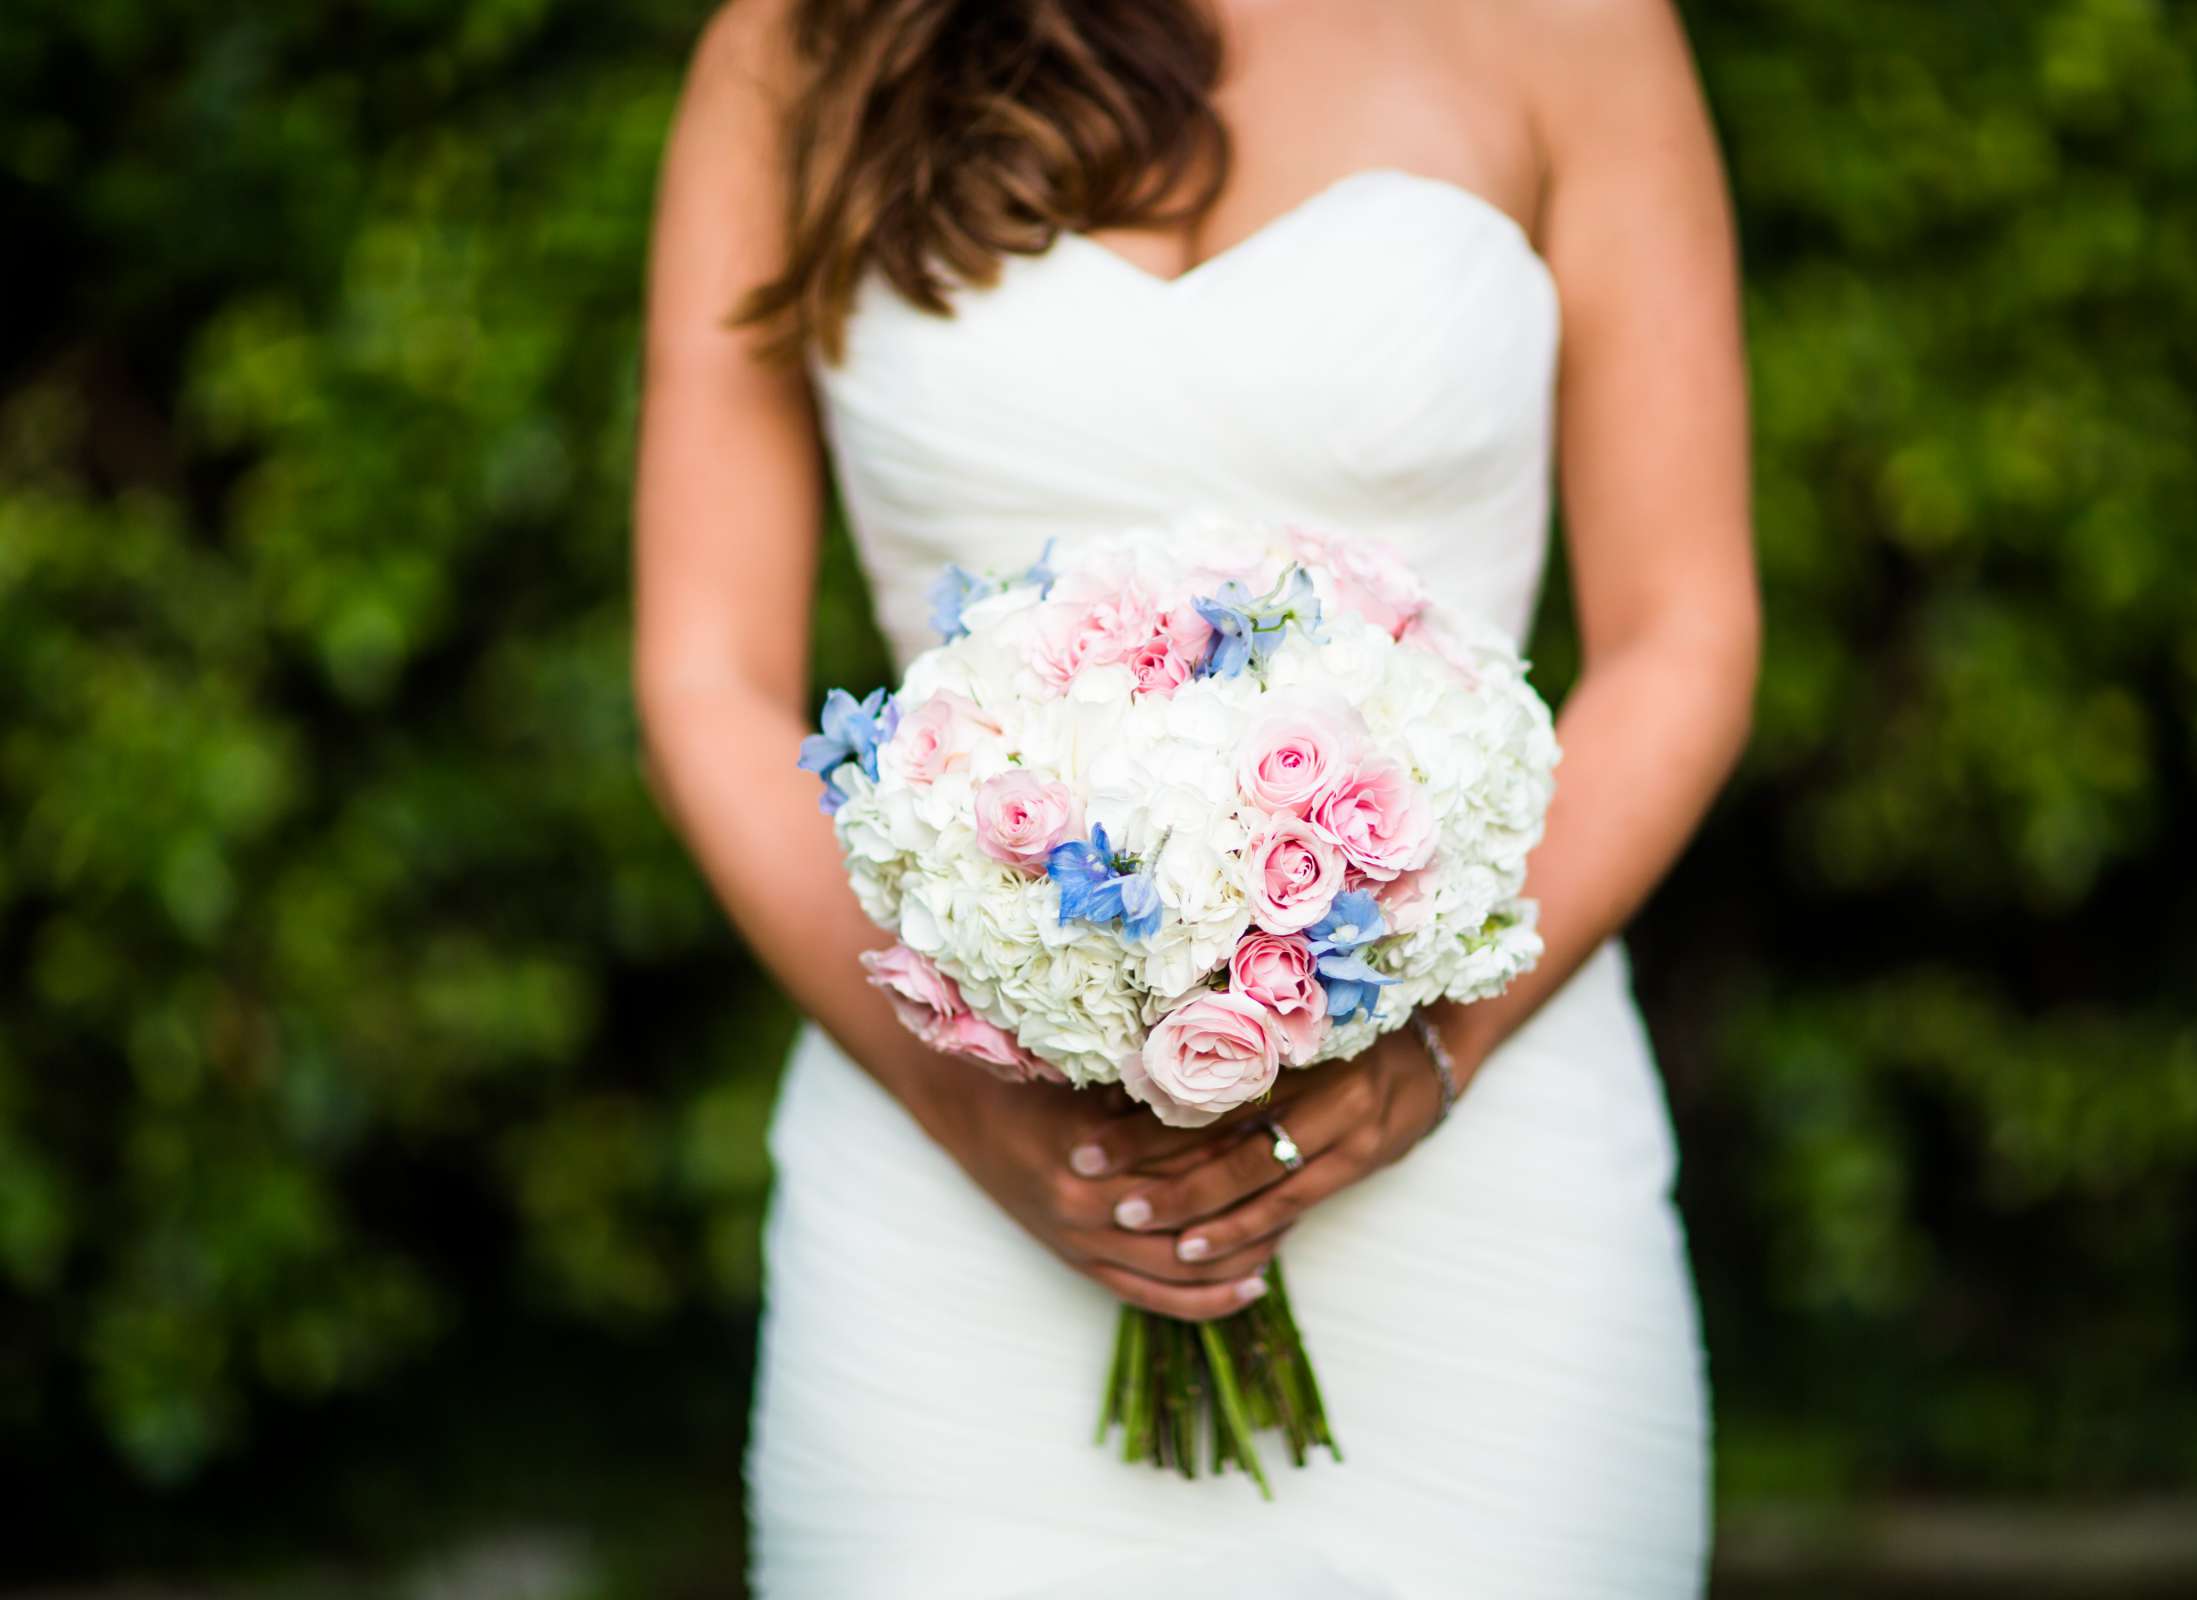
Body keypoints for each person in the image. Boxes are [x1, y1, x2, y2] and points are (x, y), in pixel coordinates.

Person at [631, 0, 1757, 1593]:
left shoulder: (1577, 27)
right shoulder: (802, 38)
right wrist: (973, 1106)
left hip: (1488, 1159)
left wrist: (1435, 1052)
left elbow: (1681, 634)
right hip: (949, 1178)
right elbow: (705, 676)